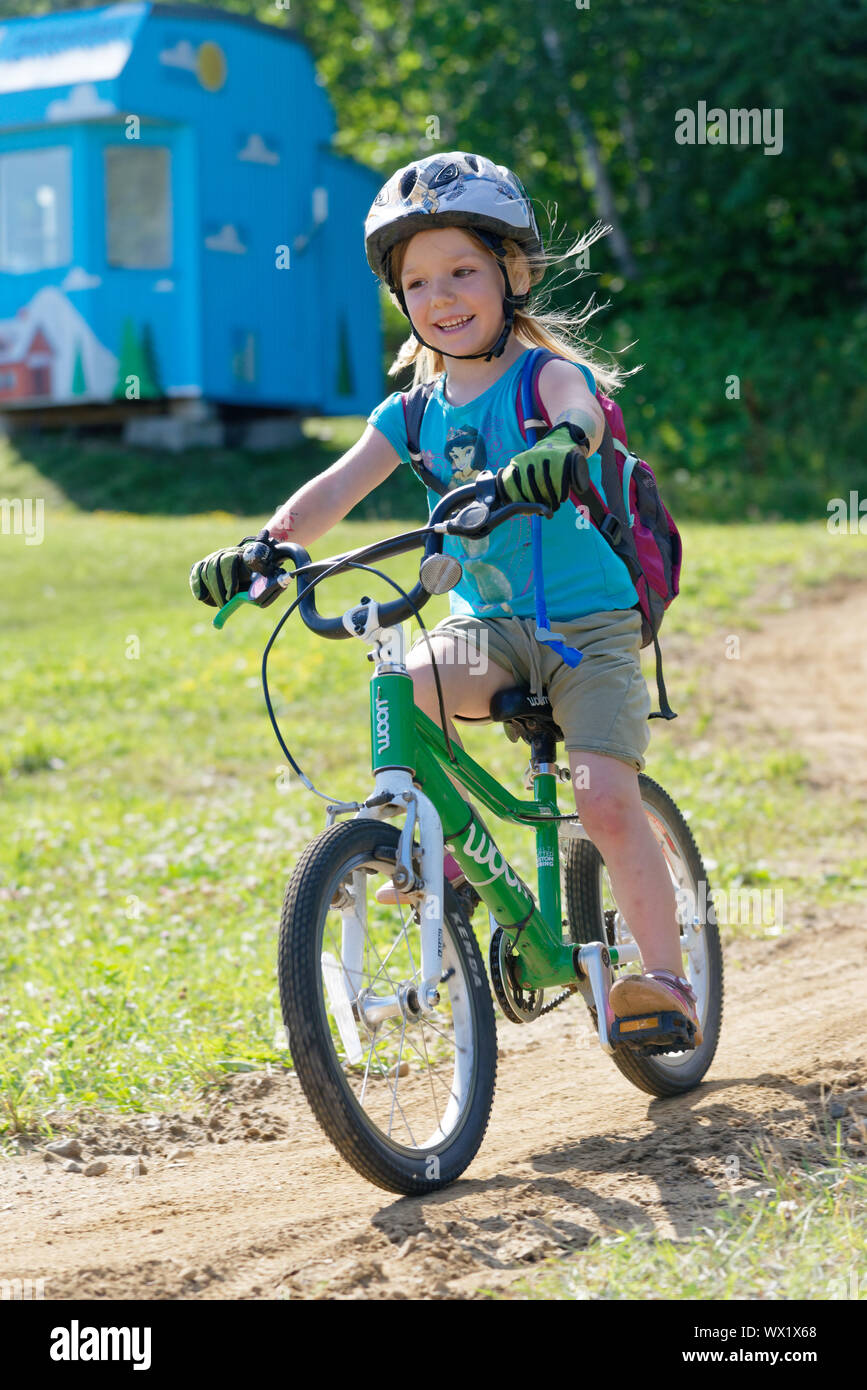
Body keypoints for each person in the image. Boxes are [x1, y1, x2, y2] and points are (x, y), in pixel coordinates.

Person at [190, 151, 700, 1043]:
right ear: (401, 301)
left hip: (590, 627)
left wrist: (560, 448)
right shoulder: (412, 413)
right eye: (418, 280)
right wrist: (266, 549)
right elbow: (330, 493)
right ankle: (449, 851)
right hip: (489, 625)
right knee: (408, 692)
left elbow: (582, 408)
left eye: (462, 270)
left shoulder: (538, 378)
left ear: (511, 274)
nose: (441, 295)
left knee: (604, 800)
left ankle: (663, 980)